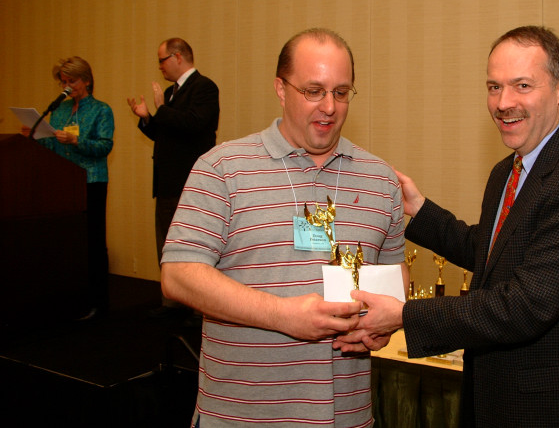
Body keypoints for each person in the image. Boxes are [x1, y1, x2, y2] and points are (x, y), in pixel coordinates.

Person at [337, 26, 559, 427]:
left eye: (522, 85)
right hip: (496, 398)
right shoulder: (506, 172)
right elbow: (494, 253)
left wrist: (407, 315)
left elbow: (525, 305)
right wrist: (419, 210)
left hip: (555, 410)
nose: (503, 102)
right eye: (494, 87)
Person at [160, 28, 407, 427]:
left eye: (341, 93)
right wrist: (282, 315)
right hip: (240, 416)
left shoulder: (381, 180)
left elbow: (393, 279)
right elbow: (178, 276)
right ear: (281, 88)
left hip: (348, 417)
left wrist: (382, 325)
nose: (329, 106)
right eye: (314, 91)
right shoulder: (222, 169)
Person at [127, 38, 219, 313]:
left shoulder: (204, 87)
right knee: (166, 244)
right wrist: (147, 119)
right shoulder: (170, 92)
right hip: (166, 182)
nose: (159, 67)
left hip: (189, 182)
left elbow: (195, 125)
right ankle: (173, 303)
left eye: (162, 60)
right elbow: (164, 135)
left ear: (178, 57)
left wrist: (163, 110)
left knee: (191, 248)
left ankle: (193, 307)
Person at [23, 57, 114, 320]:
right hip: (64, 184)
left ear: (86, 80)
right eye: (63, 81)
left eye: (71, 81)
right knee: (68, 242)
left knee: (93, 241)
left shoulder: (101, 110)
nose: (67, 86)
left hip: (91, 181)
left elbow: (105, 146)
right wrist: (35, 136)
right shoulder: (59, 110)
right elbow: (53, 146)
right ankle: (71, 298)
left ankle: (98, 302)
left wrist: (77, 141)